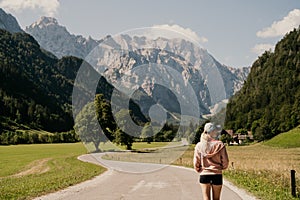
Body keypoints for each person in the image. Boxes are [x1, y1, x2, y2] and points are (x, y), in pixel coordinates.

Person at [193, 122, 229, 200]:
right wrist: (221, 168)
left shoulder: (199, 146)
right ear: (213, 132)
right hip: (217, 174)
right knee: (216, 199)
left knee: (206, 198)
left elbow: (196, 162)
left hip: (204, 174)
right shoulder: (220, 145)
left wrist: (198, 169)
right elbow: (225, 161)